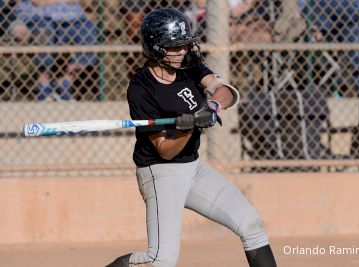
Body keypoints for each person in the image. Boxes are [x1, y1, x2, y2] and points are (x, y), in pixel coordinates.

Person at [106, 8, 277, 267]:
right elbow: (164, 150)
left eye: (184, 45)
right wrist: (187, 128)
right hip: (160, 173)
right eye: (174, 47)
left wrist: (211, 108)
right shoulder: (141, 88)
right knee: (159, 260)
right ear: (155, 48)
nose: (182, 51)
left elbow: (225, 92)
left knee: (251, 225)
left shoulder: (188, 65)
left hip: (193, 168)